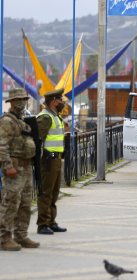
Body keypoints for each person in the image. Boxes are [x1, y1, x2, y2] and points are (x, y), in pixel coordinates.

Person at [0, 88, 40, 251]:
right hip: (14, 168)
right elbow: (2, 145)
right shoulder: (7, 121)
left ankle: (21, 235)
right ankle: (4, 238)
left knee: (25, 203)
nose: (22, 102)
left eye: (23, 99)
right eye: (18, 100)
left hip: (25, 166)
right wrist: (7, 166)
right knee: (10, 202)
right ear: (12, 102)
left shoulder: (21, 120)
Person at [36, 88, 68, 234]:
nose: (63, 103)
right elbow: (37, 140)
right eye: (61, 100)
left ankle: (51, 221)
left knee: (54, 192)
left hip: (56, 159)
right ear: (54, 101)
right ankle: (42, 224)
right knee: (45, 193)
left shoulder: (55, 116)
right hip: (48, 160)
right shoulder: (45, 117)